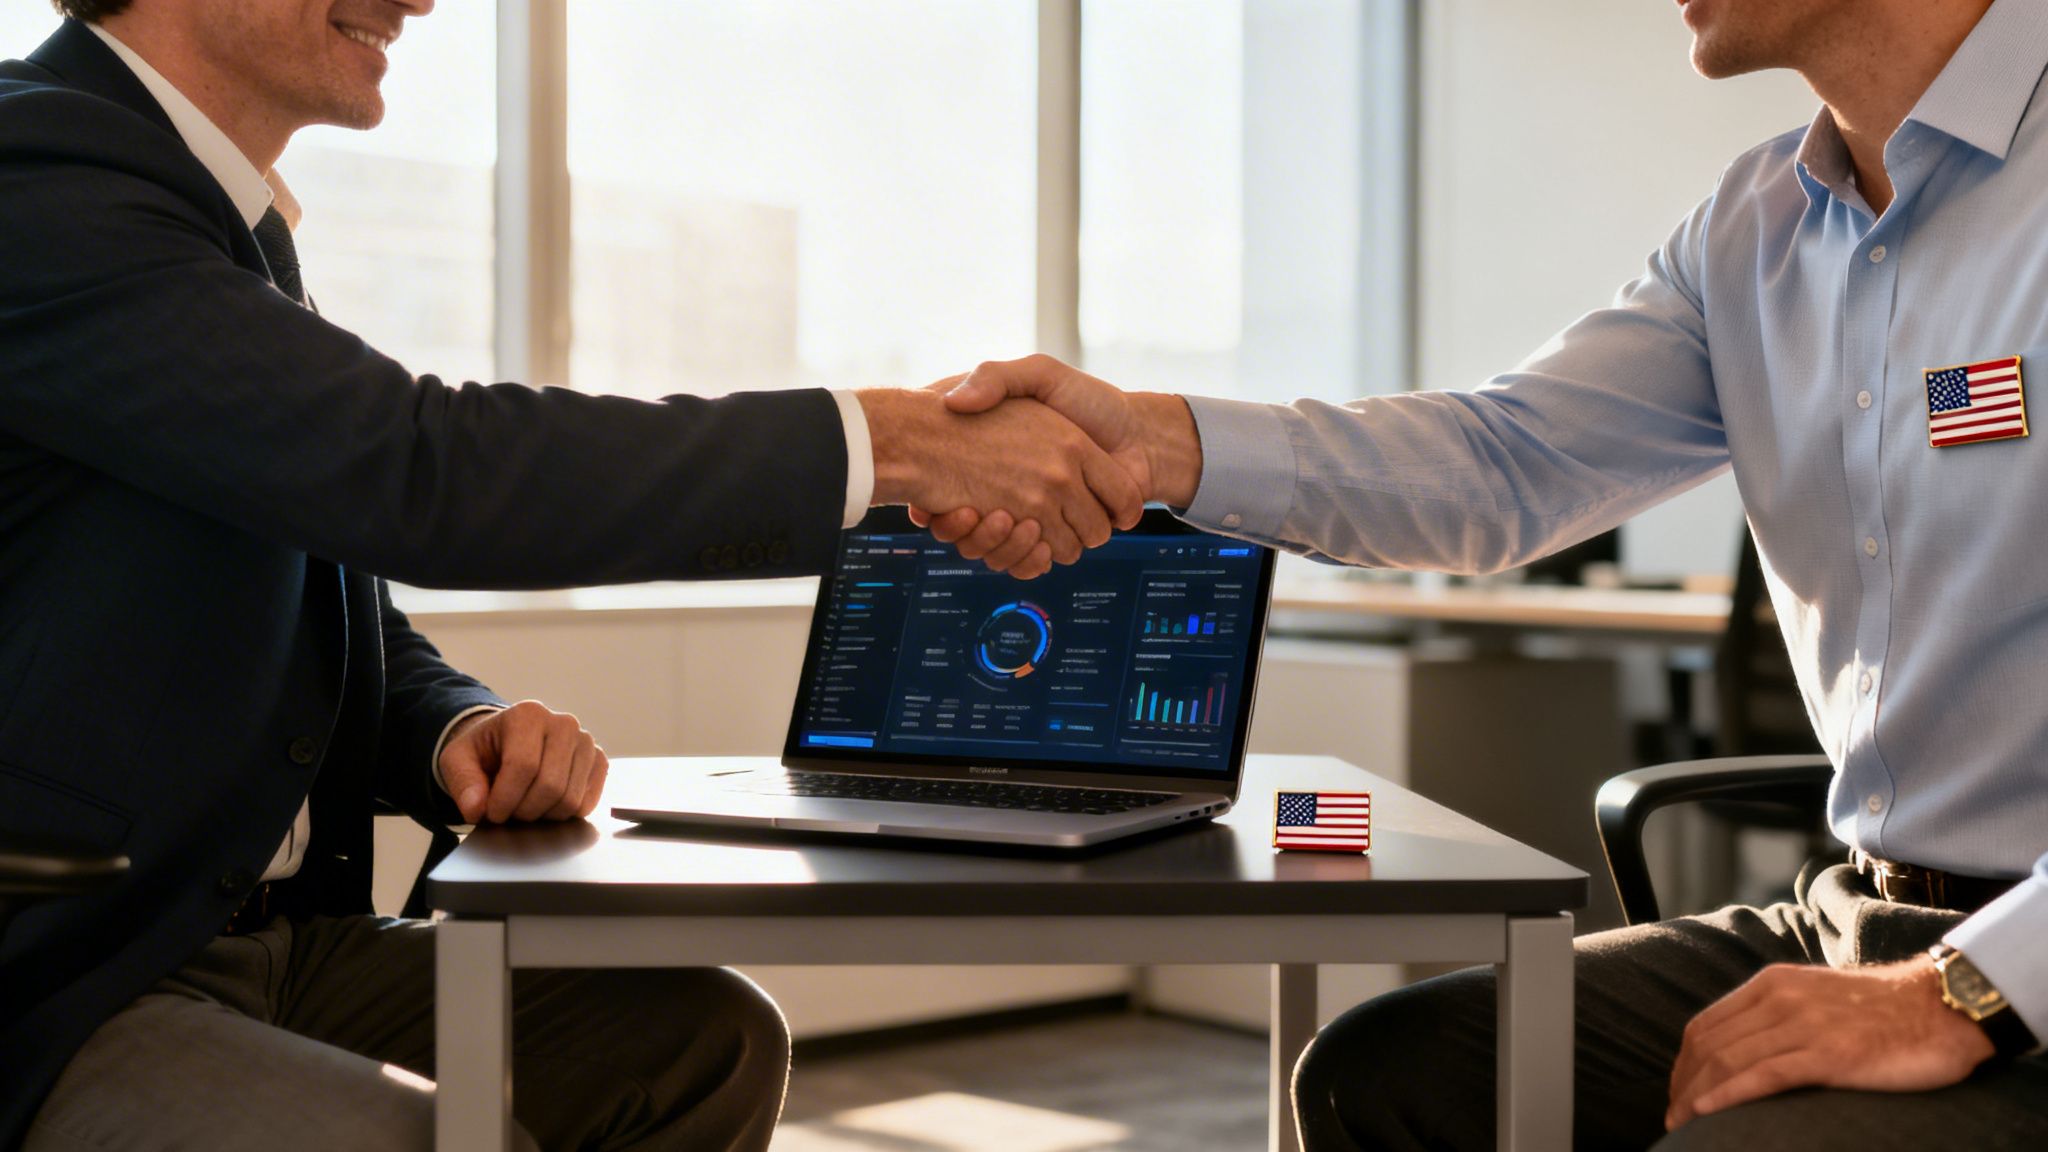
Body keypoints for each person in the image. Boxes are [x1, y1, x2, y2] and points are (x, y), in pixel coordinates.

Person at [0, 1, 1143, 1148]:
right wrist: (892, 444)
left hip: (259, 940)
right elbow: (422, 472)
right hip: (74, 975)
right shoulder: (39, 169)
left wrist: (452, 727)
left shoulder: (213, 224)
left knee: (698, 1042)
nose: (419, 0)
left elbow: (320, 584)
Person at [926, 0, 2048, 1146]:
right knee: (1383, 1076)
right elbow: (1501, 467)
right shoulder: (1751, 230)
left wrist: (1962, 990)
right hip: (1862, 913)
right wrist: (1152, 446)